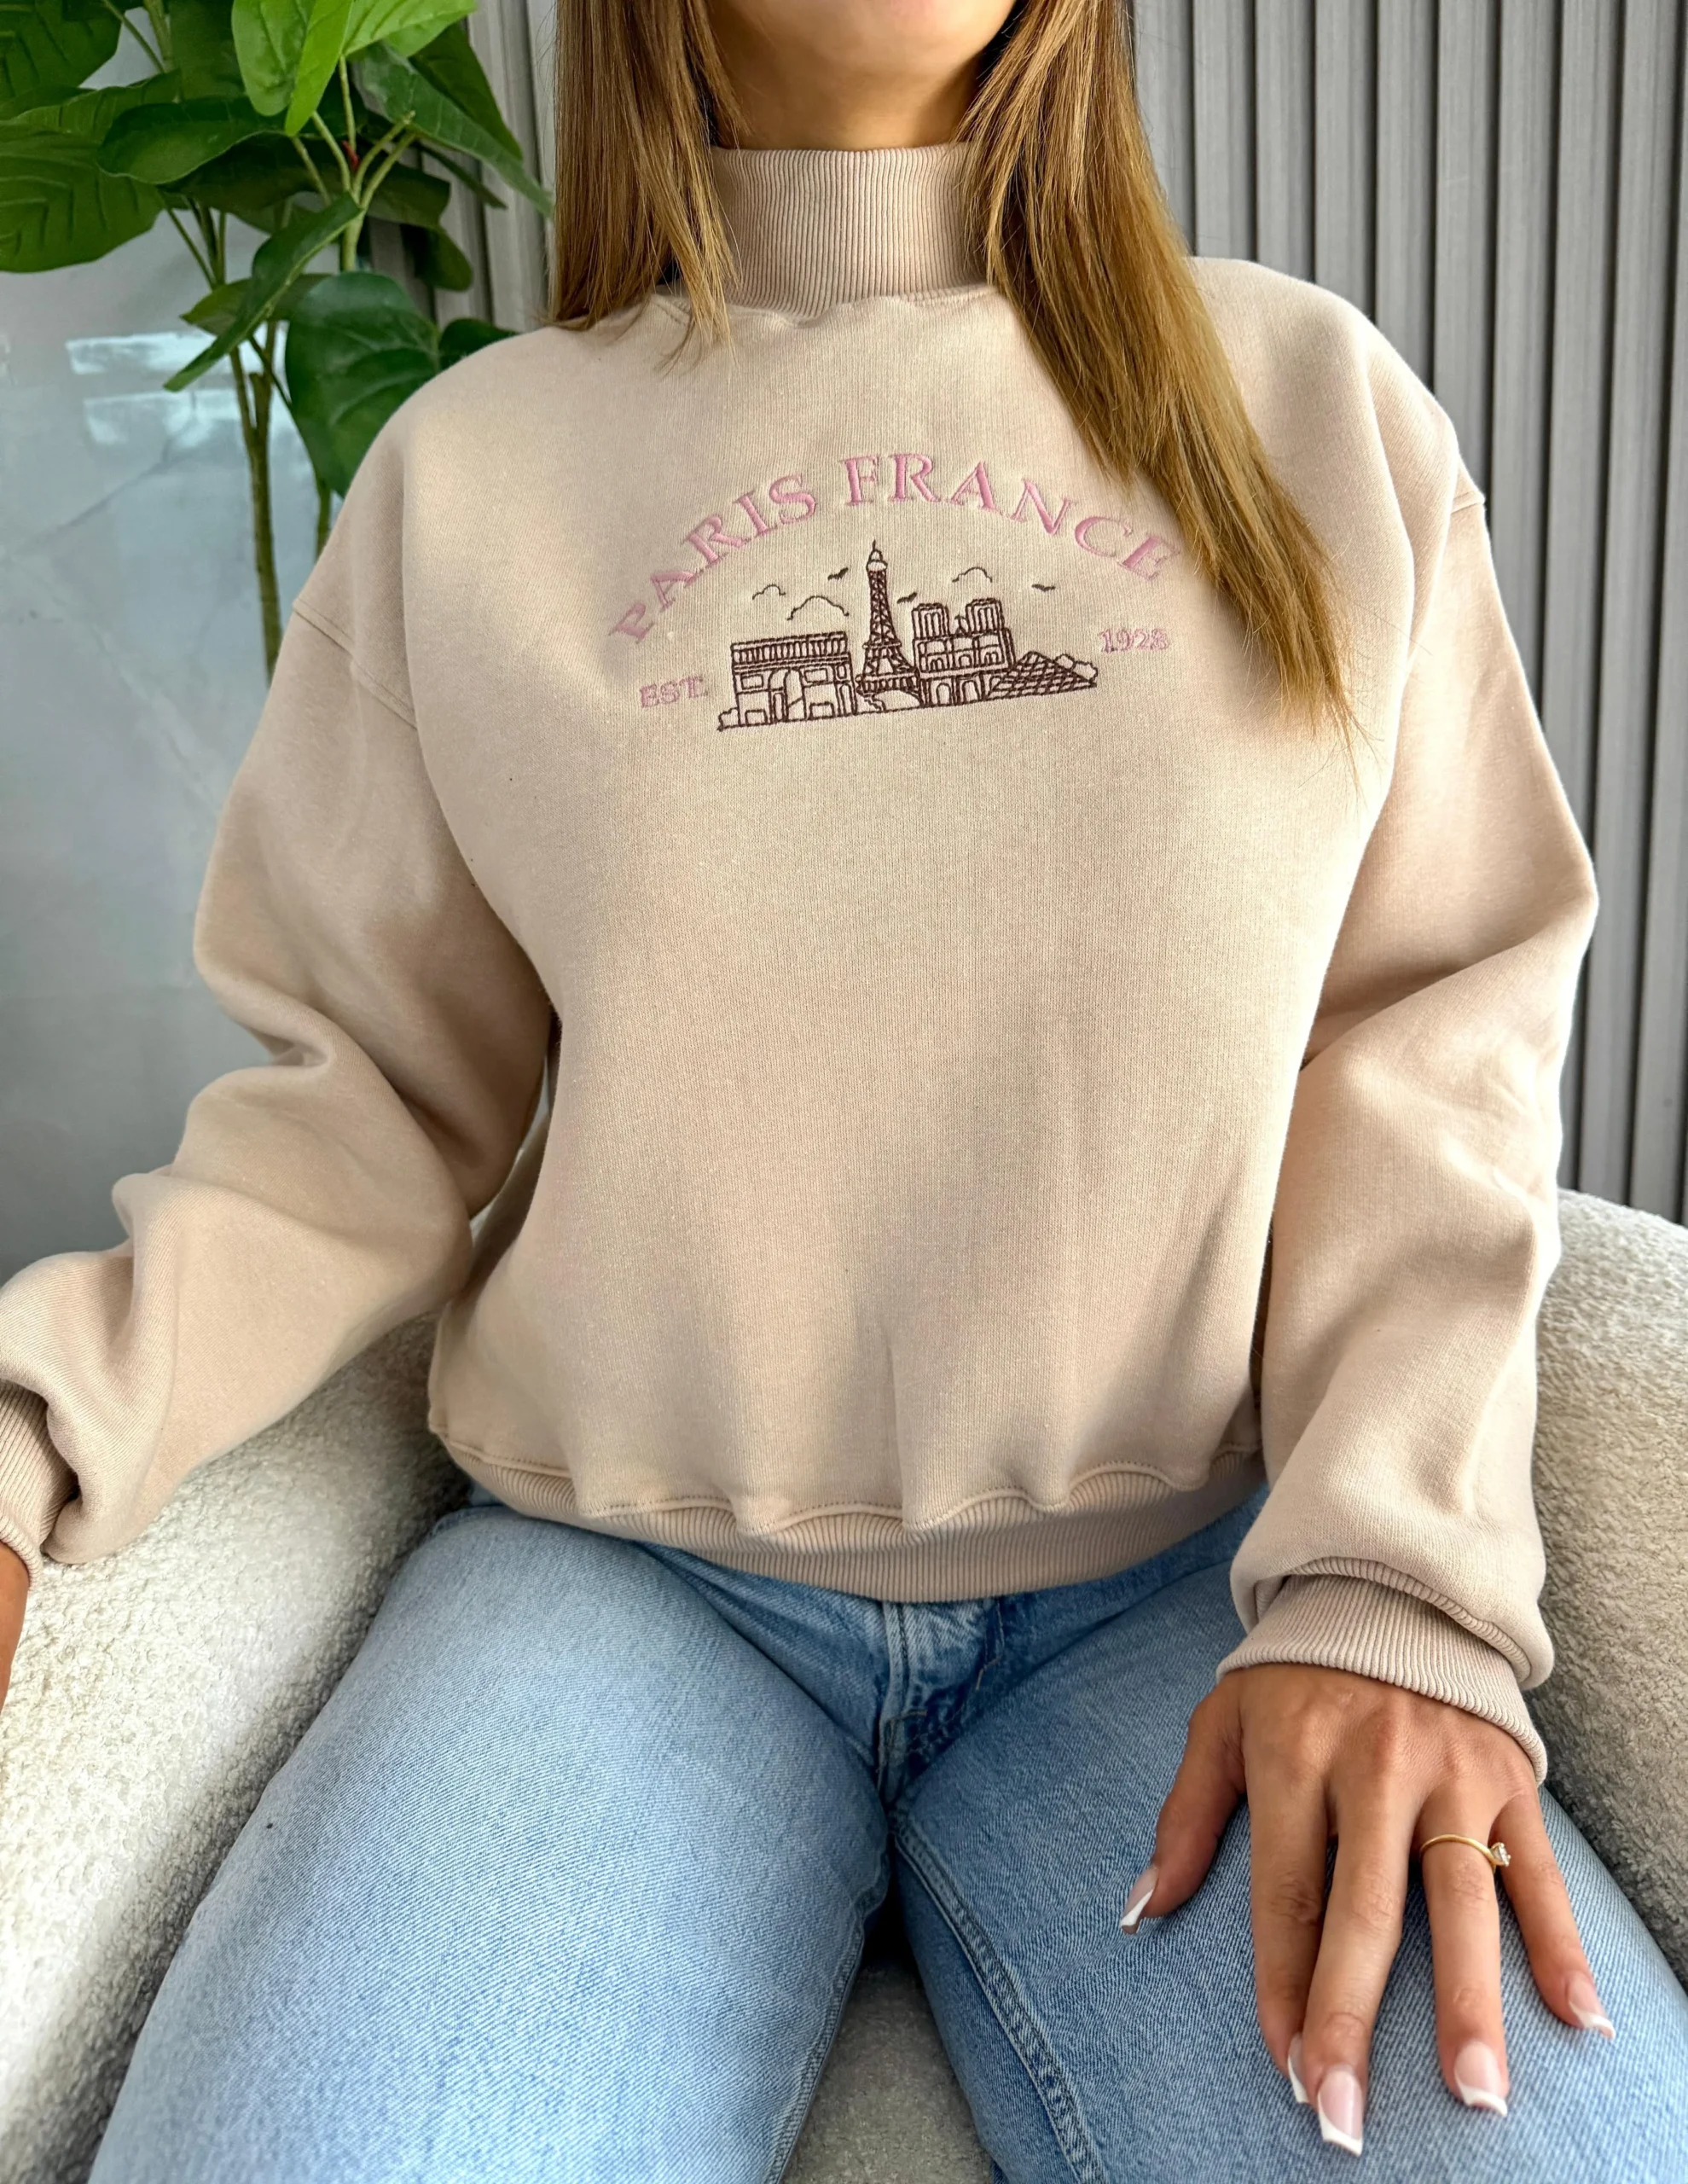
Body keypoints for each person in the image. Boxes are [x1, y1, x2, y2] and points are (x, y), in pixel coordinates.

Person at [2, 0, 1685, 2175]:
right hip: (622, 1587)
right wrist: (36, 1424)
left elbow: (1428, 1037)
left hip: (1206, 1582)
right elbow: (367, 1101)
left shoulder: (1315, 408)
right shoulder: (470, 477)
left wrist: (1398, 1580)